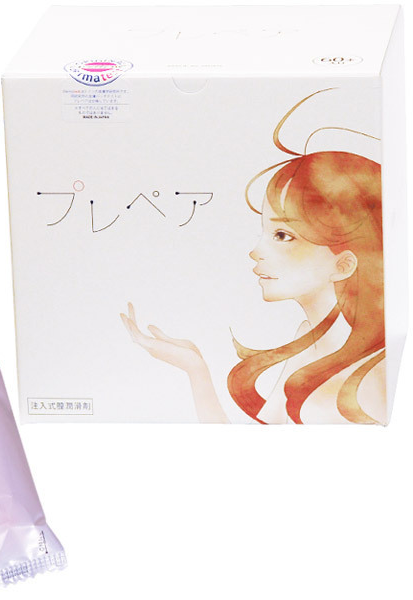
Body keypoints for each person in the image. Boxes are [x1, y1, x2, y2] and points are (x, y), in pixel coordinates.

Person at [120, 90, 385, 424]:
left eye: (282, 235)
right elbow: (246, 450)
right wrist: (195, 368)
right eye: (264, 232)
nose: (255, 250)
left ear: (344, 264)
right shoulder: (308, 338)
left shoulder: (375, 375)